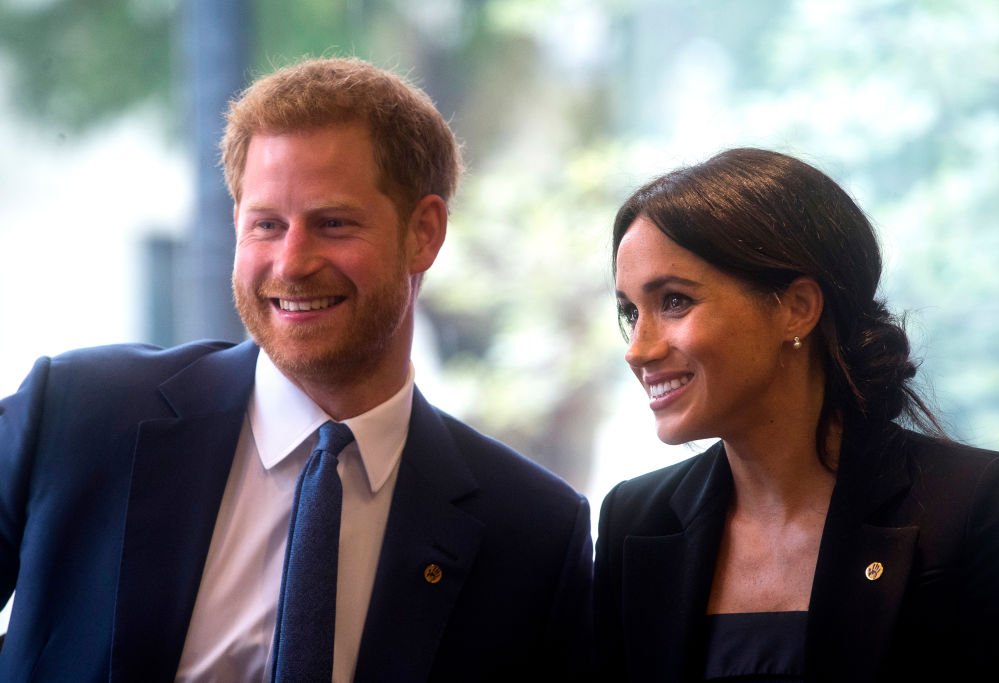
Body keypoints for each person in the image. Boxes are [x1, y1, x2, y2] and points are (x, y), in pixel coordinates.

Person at [0, 57, 592, 682]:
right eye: (267, 225)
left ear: (424, 232)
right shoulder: (76, 414)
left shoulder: (532, 532)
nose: (292, 263)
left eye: (333, 224)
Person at [594, 147, 999, 682]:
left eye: (675, 302)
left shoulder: (977, 505)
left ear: (796, 307)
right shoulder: (634, 520)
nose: (638, 349)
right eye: (631, 313)